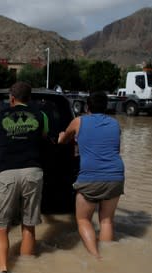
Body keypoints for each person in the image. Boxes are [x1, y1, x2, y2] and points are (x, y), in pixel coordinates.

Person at [0, 82, 49, 273]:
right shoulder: (41, 115)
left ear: (12, 98)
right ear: (30, 98)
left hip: (6, 172)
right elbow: (44, 137)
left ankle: (4, 272)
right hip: (33, 171)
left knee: (1, 226)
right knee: (29, 224)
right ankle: (27, 270)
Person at [58, 91, 125, 259]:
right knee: (107, 221)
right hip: (115, 175)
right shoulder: (115, 124)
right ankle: (109, 257)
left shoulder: (78, 121)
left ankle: (96, 256)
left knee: (83, 220)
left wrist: (61, 137)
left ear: (87, 107)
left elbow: (63, 140)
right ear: (106, 107)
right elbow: (114, 149)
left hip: (90, 177)